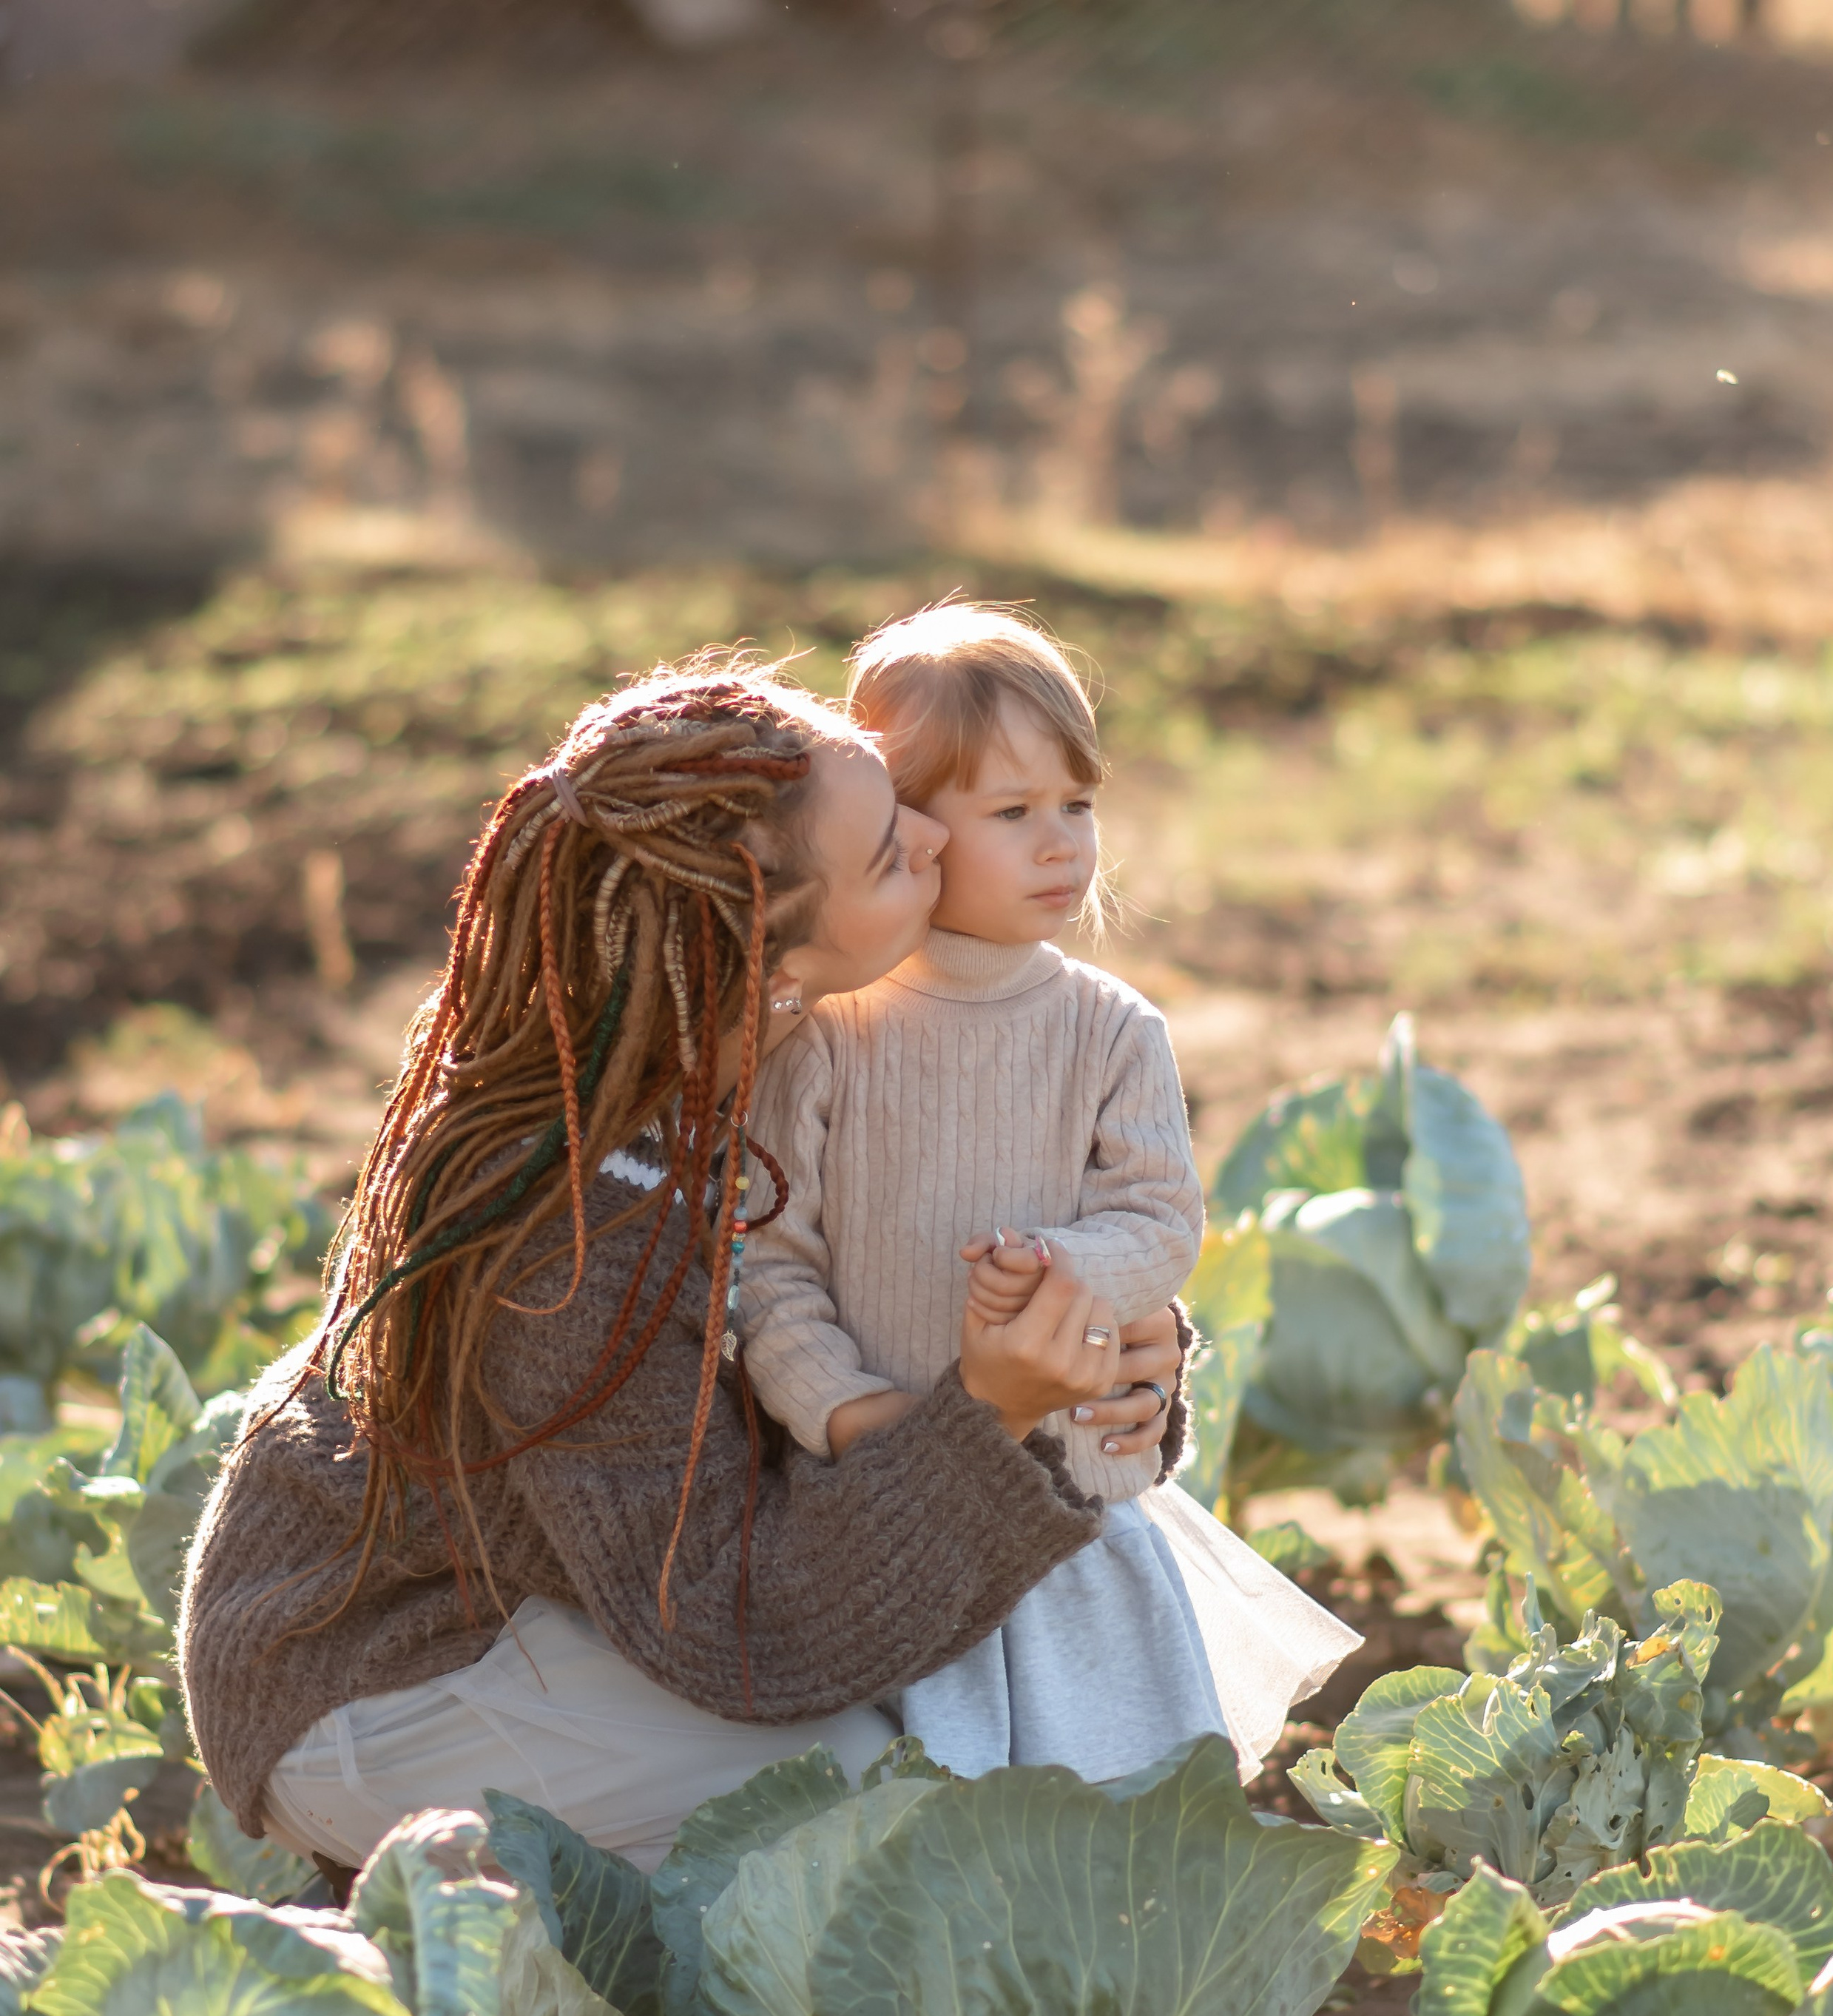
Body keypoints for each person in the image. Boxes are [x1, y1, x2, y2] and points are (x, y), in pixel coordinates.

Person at [178, 664, 1186, 1873]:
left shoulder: (790, 1055)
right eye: (882, 852)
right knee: (872, 1809)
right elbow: (734, 1621)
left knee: (955, 1728)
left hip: (587, 1604)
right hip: (382, 1669)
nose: (931, 835)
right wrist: (990, 1414)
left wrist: (1109, 1343)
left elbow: (878, 1307)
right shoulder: (569, 1244)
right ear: (766, 958)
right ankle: (446, 1925)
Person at [737, 601, 1357, 1786]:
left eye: (1077, 806)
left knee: (1116, 1815)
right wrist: (849, 1411)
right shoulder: (828, 1042)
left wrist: (1078, 1271)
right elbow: (772, 1265)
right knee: (940, 1810)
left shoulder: (1110, 1029)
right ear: (908, 830)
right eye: (1012, 814)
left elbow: (1161, 1213)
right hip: (885, 1513)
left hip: (1071, 1505)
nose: (1063, 846)